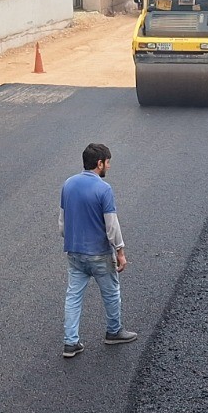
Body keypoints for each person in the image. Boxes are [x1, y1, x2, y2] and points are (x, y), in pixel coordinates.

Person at [60, 143, 137, 358]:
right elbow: (111, 225)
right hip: (99, 254)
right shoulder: (104, 189)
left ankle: (70, 342)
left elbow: (62, 223)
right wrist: (120, 252)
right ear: (99, 163)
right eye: (108, 162)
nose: (109, 167)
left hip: (74, 253)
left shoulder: (68, 184)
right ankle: (114, 332)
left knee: (73, 296)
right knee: (111, 293)